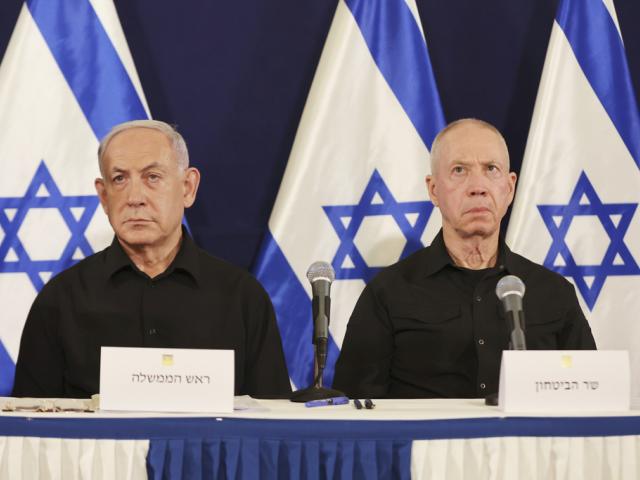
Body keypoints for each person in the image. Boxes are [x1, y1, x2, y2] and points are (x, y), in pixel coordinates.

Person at [12, 120, 291, 398]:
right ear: (104, 196)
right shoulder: (60, 301)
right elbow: (30, 431)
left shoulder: (242, 298)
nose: (135, 197)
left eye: (152, 177)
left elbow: (273, 425)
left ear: (188, 187)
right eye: (119, 179)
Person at [333, 118, 596, 399]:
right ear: (433, 190)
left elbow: (590, 398)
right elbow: (354, 410)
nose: (478, 187)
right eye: (459, 170)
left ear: (509, 188)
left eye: (491, 169)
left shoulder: (554, 292)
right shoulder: (388, 292)